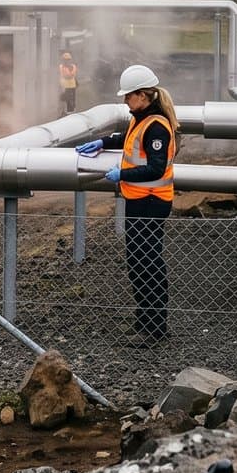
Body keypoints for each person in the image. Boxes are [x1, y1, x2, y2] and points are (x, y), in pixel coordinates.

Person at [77, 65, 177, 344]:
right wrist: (103, 142)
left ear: (144, 95)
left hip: (151, 202)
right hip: (140, 200)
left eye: (129, 96)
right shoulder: (142, 119)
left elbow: (156, 169)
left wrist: (122, 174)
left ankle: (154, 328)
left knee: (148, 263)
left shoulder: (157, 126)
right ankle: (145, 321)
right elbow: (129, 140)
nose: (125, 101)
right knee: (138, 263)